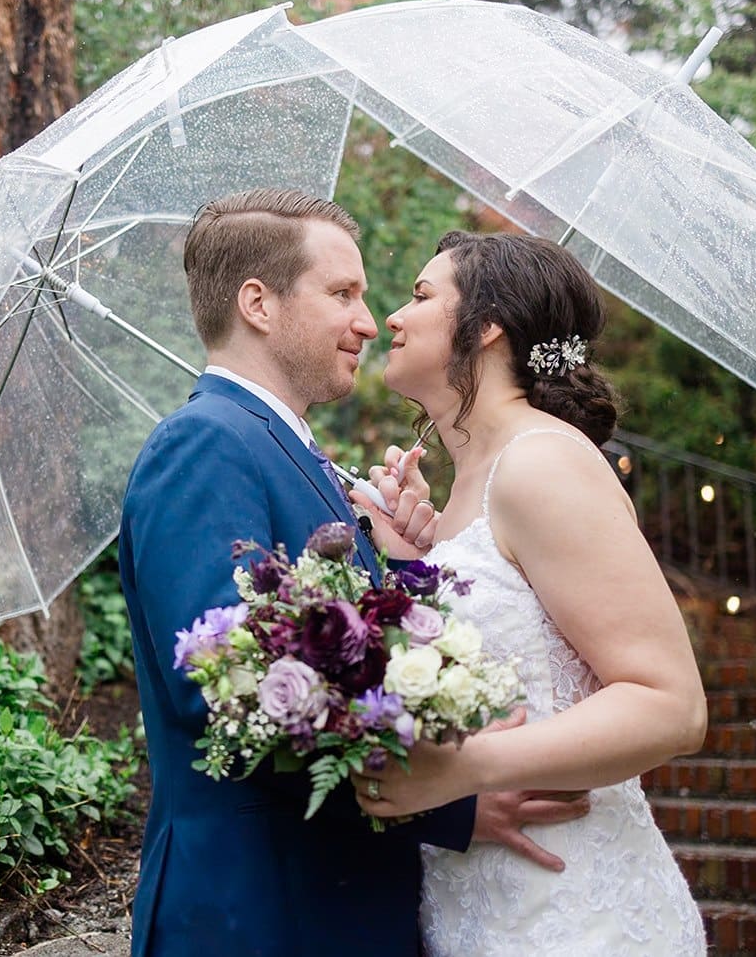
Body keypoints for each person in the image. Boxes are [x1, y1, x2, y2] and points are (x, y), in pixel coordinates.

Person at [118, 193, 589, 957]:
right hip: (262, 913)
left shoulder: (295, 454)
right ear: (258, 304)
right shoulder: (204, 444)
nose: (370, 322)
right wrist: (450, 802)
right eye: (343, 294)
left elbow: (344, 657)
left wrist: (404, 566)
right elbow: (225, 694)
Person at [351, 230, 708, 954]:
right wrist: (411, 561)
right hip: (481, 912)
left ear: (487, 327)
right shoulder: (462, 495)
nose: (391, 317)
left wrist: (466, 767)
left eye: (420, 297)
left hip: (575, 917)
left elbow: (672, 704)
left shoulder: (541, 462)